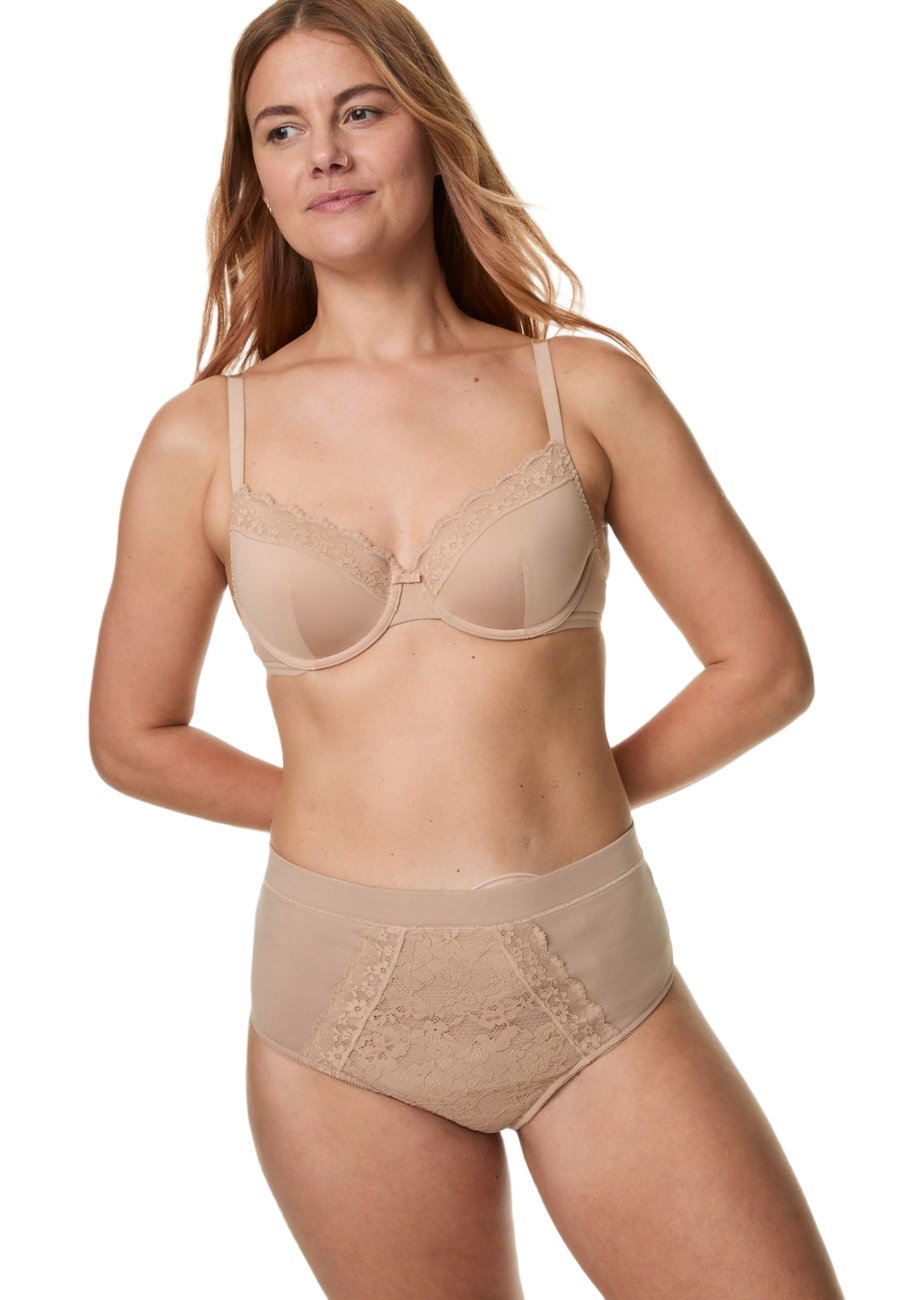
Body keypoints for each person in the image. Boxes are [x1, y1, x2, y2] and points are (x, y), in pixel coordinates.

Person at [88, 1, 845, 1296]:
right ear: (255, 176)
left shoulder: (584, 390)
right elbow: (132, 737)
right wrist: (339, 809)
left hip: (594, 970)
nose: (325, 153)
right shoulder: (202, 440)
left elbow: (763, 668)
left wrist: (576, 792)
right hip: (341, 1006)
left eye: (360, 111)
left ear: (432, 133)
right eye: (282, 129)